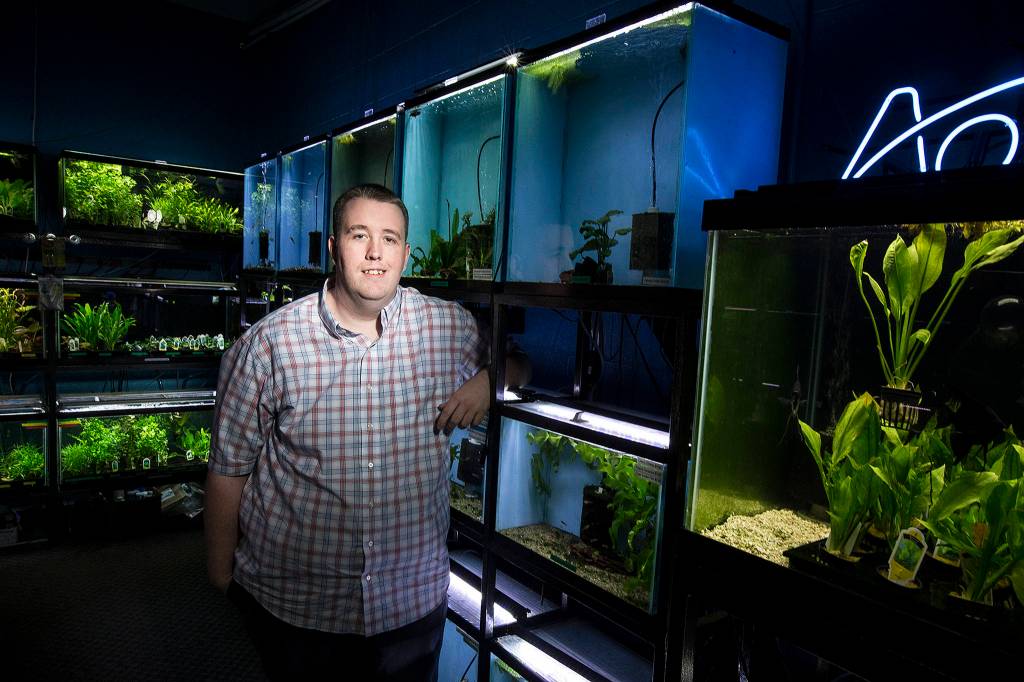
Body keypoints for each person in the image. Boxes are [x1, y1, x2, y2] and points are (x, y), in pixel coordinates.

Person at [206, 183, 510, 681]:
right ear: (333, 247)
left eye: (389, 239)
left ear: (405, 254)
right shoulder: (268, 345)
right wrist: (222, 578)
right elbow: (228, 469)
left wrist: (491, 379)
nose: (375, 253)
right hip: (300, 611)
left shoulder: (448, 328)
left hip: (409, 605)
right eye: (359, 235)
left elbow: (521, 365)